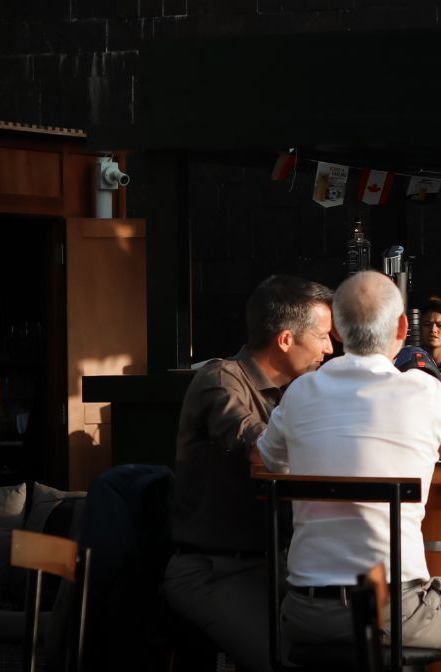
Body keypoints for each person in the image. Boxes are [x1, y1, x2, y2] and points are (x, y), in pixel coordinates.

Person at [256, 271, 441, 672]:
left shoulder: (299, 392)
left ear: (339, 331)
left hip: (303, 612)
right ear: (404, 328)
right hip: (394, 609)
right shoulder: (422, 391)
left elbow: (269, 462)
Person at [163, 274, 334, 672]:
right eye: (323, 335)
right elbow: (262, 449)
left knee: (349, 646)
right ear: (286, 339)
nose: (330, 347)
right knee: (291, 663)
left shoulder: (296, 390)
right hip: (212, 571)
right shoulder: (221, 380)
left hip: (272, 566)